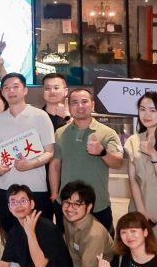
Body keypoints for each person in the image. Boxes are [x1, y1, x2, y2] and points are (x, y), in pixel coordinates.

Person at [0, 73, 55, 231]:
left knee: (39, 235)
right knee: (10, 236)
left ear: (25, 90)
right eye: (6, 88)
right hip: (4, 189)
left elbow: (49, 152)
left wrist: (31, 164)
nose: (11, 91)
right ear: (2, 92)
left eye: (16, 86)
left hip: (34, 189)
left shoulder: (40, 116)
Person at [49, 88, 123, 231]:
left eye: (84, 102)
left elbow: (118, 163)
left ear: (93, 105)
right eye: (74, 103)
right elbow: (55, 165)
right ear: (69, 107)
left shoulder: (108, 133)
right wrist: (54, 196)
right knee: (67, 248)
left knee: (102, 249)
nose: (80, 106)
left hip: (97, 204)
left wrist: (102, 152)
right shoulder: (60, 133)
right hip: (67, 204)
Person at [124, 91, 157, 224]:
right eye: (142, 109)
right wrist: (141, 210)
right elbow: (133, 179)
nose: (146, 115)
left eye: (153, 110)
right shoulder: (133, 140)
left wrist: (153, 154)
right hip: (138, 208)